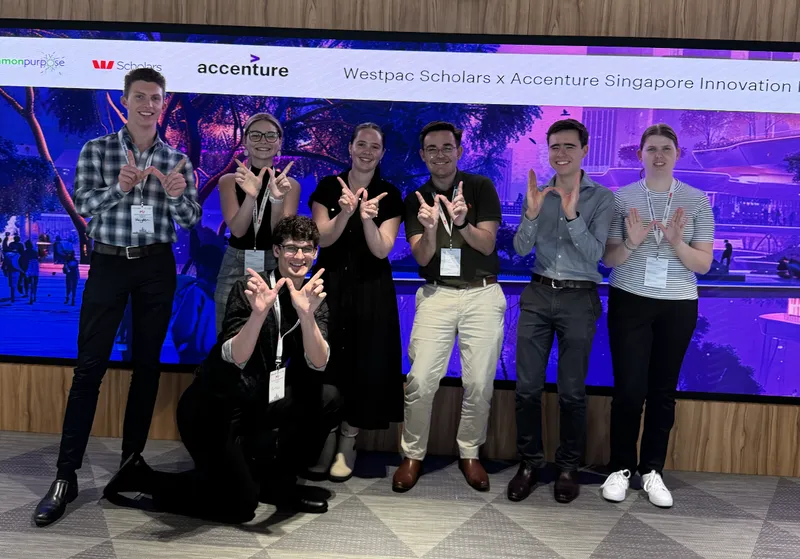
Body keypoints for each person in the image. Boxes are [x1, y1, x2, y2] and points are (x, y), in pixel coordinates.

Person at [33, 68, 202, 527]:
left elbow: (190, 219)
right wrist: (120, 188)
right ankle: (65, 475)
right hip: (108, 264)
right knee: (89, 367)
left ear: (163, 104)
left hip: (156, 267)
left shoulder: (176, 159)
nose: (148, 105)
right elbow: (83, 205)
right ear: (124, 100)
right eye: (140, 96)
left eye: (156, 98)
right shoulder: (98, 149)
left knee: (147, 367)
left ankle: (131, 464)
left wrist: (177, 196)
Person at [102, 215, 341, 522]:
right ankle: (142, 478)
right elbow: (235, 357)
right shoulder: (250, 288)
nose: (299, 256)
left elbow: (318, 362)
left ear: (315, 252)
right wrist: (258, 314)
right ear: (277, 251)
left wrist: (307, 316)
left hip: (257, 400)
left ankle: (276, 484)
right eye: (291, 248)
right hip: (212, 407)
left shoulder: (312, 297)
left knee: (327, 398)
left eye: (307, 249)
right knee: (240, 506)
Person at [600, 123, 714, 508]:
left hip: (678, 304)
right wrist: (632, 243)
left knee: (663, 392)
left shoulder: (697, 200)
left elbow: (703, 264)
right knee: (629, 390)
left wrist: (677, 242)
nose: (659, 155)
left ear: (678, 154)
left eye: (666, 148)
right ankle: (620, 468)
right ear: (641, 155)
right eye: (652, 149)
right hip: (630, 299)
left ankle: (652, 470)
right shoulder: (622, 198)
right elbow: (609, 259)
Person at [392, 121, 506, 493]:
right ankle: (412, 454)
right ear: (422, 155)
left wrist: (462, 222)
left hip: (481, 294)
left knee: (479, 383)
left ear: (459, 150)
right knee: (420, 380)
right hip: (437, 294)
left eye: (446, 147)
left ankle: (470, 452)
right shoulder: (416, 198)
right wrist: (429, 228)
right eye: (432, 149)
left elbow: (487, 245)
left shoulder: (480, 187)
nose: (439, 155)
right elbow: (422, 256)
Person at [507, 118, 614, 504]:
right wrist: (533, 214)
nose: (562, 153)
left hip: (578, 298)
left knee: (571, 392)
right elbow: (520, 248)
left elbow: (596, 254)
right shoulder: (537, 192)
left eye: (569, 146)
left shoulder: (602, 198)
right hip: (537, 294)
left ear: (584, 150)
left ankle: (568, 466)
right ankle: (530, 463)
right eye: (555, 147)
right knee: (526, 389)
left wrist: (571, 215)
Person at [308, 122, 404, 482]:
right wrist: (345, 212)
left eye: (374, 146)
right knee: (326, 362)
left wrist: (366, 219)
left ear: (382, 153)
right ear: (350, 147)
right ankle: (325, 436)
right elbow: (323, 239)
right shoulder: (328, 187)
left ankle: (348, 441)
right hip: (330, 285)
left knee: (366, 363)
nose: (367, 151)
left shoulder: (389, 194)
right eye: (361, 144)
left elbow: (381, 249)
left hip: (371, 288)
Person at [215, 112, 300, 334]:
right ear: (245, 141)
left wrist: (277, 199)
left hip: (274, 263)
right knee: (228, 334)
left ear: (279, 142)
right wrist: (251, 196)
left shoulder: (289, 184)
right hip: (235, 261)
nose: (263, 141)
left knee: (270, 335)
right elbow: (237, 229)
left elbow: (280, 236)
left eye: (271, 135)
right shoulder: (229, 181)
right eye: (256, 135)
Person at [23, 239, 39, 304]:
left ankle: (27, 293)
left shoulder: (25, 252)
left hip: (28, 267)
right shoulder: (35, 252)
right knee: (35, 281)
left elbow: (23, 261)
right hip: (35, 267)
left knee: (26, 280)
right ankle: (34, 295)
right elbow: (37, 259)